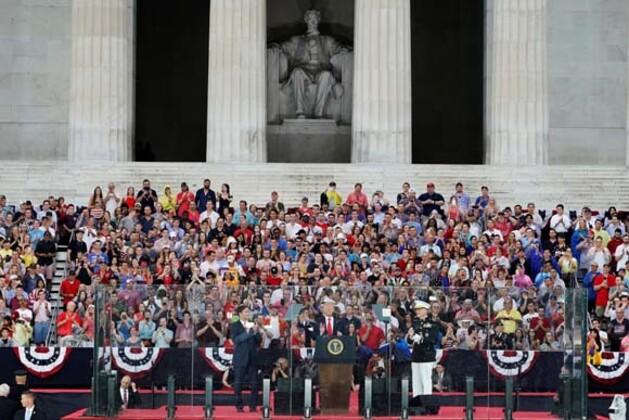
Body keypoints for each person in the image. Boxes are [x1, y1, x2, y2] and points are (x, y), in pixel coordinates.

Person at [231, 305, 261, 412]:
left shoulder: (252, 324)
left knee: (254, 384)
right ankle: (239, 406)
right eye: (246, 312)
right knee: (238, 384)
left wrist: (256, 332)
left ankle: (253, 406)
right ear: (240, 314)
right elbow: (236, 340)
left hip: (252, 358)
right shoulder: (235, 325)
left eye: (249, 312)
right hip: (240, 358)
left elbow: (258, 341)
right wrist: (249, 332)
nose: (248, 314)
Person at [407, 301, 439, 397]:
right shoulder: (415, 322)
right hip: (416, 355)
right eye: (417, 309)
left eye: (420, 309)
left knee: (426, 381)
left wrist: (422, 338)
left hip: (426, 355)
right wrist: (410, 337)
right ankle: (417, 400)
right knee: (416, 381)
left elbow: (433, 339)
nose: (417, 311)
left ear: (426, 310)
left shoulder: (432, 323)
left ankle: (427, 401)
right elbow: (409, 341)